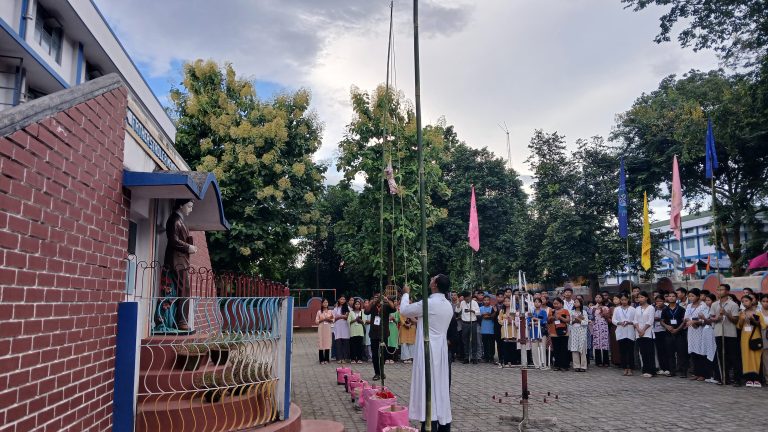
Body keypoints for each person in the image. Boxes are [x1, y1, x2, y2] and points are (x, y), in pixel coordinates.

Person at [400, 275, 453, 432]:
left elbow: (404, 310)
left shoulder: (429, 303)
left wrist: (405, 293)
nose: (430, 280)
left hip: (428, 349)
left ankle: (429, 423)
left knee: (428, 384)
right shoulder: (448, 305)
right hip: (441, 349)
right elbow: (433, 323)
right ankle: (442, 422)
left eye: (433, 279)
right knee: (440, 386)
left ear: (435, 285)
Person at [163, 199, 198, 331]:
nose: (191, 209)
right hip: (176, 261)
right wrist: (189, 247)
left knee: (182, 289)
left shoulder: (179, 220)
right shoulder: (174, 220)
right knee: (184, 289)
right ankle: (181, 320)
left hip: (180, 260)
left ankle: (180, 319)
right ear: (181, 205)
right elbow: (173, 240)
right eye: (189, 206)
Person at [710, 283, 741, 386]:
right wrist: (717, 318)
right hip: (719, 332)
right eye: (718, 290)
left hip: (730, 333)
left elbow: (736, 320)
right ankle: (724, 378)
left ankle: (737, 379)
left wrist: (727, 314)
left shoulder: (733, 305)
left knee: (733, 357)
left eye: (721, 290)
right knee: (721, 356)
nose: (719, 292)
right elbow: (712, 318)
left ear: (727, 291)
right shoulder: (714, 304)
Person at [684, 288, 714, 382]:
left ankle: (704, 374)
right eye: (689, 296)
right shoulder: (689, 306)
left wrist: (695, 321)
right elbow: (685, 317)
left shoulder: (703, 306)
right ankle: (696, 373)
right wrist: (689, 321)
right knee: (693, 352)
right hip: (691, 331)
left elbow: (704, 319)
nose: (691, 298)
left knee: (701, 352)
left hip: (701, 331)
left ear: (698, 296)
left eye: (693, 296)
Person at [737, 294, 764, 388]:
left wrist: (753, 319)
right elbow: (739, 326)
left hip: (755, 336)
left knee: (756, 357)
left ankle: (757, 379)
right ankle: (749, 379)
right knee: (746, 357)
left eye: (746, 301)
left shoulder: (758, 312)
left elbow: (761, 325)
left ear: (751, 301)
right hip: (744, 337)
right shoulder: (742, 312)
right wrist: (742, 319)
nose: (744, 303)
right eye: (743, 302)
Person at [661, 291, 687, 377]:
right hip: (668, 334)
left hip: (680, 333)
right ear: (667, 298)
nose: (671, 298)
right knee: (670, 353)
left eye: (673, 296)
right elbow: (662, 321)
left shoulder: (681, 309)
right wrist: (667, 326)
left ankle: (683, 371)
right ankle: (672, 371)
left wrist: (677, 329)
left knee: (681, 353)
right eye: (669, 296)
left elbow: (684, 321)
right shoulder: (665, 309)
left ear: (676, 298)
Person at [369, 295, 395, 380]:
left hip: (384, 333)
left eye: (378, 297)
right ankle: (377, 373)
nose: (378, 299)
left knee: (384, 353)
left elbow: (393, 308)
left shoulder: (386, 306)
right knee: (375, 354)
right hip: (374, 333)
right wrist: (372, 302)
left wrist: (387, 300)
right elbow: (366, 311)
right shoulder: (372, 306)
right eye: (376, 297)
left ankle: (381, 371)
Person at [612, 293, 636, 376]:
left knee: (630, 352)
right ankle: (625, 368)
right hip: (621, 331)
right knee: (623, 351)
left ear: (628, 300)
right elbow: (613, 320)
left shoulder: (633, 309)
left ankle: (631, 368)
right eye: (622, 300)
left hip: (630, 331)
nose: (624, 301)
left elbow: (636, 320)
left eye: (625, 299)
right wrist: (619, 322)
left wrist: (629, 322)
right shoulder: (617, 309)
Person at [634, 291, 657, 378]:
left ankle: (651, 370)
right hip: (639, 333)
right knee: (643, 352)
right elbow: (635, 320)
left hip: (647, 333)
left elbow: (650, 321)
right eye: (639, 297)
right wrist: (639, 330)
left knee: (649, 352)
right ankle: (645, 369)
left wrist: (643, 330)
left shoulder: (651, 308)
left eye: (642, 297)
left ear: (646, 298)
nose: (640, 299)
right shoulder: (637, 308)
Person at [548, 298, 570, 371]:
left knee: (563, 349)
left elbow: (568, 320)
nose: (556, 305)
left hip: (563, 333)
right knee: (556, 350)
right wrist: (552, 317)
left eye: (557, 303)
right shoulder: (551, 311)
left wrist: (560, 317)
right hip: (554, 333)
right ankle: (557, 365)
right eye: (554, 303)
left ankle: (564, 365)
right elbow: (548, 320)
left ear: (561, 304)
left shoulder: (565, 311)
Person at [459, 291, 480, 364]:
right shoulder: (462, 303)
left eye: (467, 298)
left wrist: (472, 310)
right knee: (465, 340)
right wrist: (459, 303)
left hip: (473, 322)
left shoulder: (474, 302)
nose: (466, 299)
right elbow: (457, 311)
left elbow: (478, 312)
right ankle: (466, 357)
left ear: (470, 296)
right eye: (465, 298)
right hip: (465, 323)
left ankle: (474, 357)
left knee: (474, 340)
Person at [569, 298, 589, 372]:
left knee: (582, 349)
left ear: (580, 303)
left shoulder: (584, 312)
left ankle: (583, 366)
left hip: (582, 332)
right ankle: (576, 365)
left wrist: (579, 319)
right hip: (574, 331)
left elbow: (586, 322)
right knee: (574, 348)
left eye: (577, 302)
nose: (575, 303)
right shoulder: (571, 312)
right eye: (575, 302)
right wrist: (574, 320)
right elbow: (570, 322)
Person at [591, 294, 611, 367]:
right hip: (596, 327)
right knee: (597, 343)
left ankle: (606, 361)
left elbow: (608, 317)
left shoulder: (606, 307)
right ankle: (598, 361)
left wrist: (603, 311)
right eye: (596, 297)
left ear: (602, 299)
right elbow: (591, 317)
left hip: (603, 326)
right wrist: (593, 311)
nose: (598, 299)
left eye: (600, 297)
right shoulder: (592, 307)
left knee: (604, 343)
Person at [529, 297, 548, 369]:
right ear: (533, 303)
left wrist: (536, 320)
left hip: (542, 332)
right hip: (533, 332)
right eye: (535, 302)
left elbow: (544, 321)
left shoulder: (543, 312)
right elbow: (528, 321)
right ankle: (536, 364)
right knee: (534, 349)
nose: (537, 303)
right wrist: (535, 322)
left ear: (541, 303)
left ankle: (543, 363)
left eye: (538, 302)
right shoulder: (531, 312)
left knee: (542, 348)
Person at [497, 297, 515, 368]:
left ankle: (512, 361)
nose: (507, 302)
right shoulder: (502, 310)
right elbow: (499, 320)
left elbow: (515, 319)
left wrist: (510, 320)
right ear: (504, 302)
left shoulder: (513, 310)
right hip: (504, 329)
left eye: (508, 301)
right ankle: (505, 361)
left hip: (512, 329)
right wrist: (504, 322)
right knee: (505, 346)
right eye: (505, 301)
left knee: (512, 346)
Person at [315, 298, 334, 364]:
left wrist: (328, 319)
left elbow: (333, 320)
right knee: (321, 343)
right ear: (322, 304)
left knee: (327, 342)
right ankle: (321, 359)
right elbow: (316, 321)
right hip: (321, 328)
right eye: (324, 302)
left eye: (326, 302)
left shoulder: (330, 311)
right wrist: (323, 319)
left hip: (328, 329)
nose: (325, 304)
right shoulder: (319, 312)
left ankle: (327, 359)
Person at [333, 296, 351, 364]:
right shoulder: (335, 308)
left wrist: (339, 317)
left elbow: (346, 317)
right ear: (338, 300)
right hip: (337, 327)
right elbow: (334, 319)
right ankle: (339, 358)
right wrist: (342, 316)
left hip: (345, 327)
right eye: (341, 299)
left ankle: (345, 358)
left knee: (345, 343)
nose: (342, 300)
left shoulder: (348, 308)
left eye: (344, 299)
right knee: (338, 343)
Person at [348, 299, 366, 364]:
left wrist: (359, 320)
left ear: (360, 305)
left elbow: (364, 321)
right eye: (356, 304)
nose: (357, 305)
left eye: (358, 304)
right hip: (353, 331)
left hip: (360, 331)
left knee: (359, 345)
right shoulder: (351, 312)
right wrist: (355, 319)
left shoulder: (362, 312)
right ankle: (353, 359)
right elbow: (348, 321)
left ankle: (359, 359)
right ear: (354, 305)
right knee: (353, 345)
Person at [480, 296, 496, 363]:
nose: (486, 301)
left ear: (490, 301)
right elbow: (482, 316)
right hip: (483, 329)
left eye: (487, 300)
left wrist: (490, 315)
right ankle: (486, 357)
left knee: (492, 344)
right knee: (485, 344)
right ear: (483, 301)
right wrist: (488, 315)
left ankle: (491, 357)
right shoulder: (480, 308)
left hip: (491, 329)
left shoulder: (492, 308)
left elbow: (492, 317)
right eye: (485, 300)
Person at [387, 298, 400, 364]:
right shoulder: (386, 310)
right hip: (387, 327)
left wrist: (394, 318)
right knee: (387, 342)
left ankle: (392, 358)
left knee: (393, 342)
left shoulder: (396, 311)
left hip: (394, 328)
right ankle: (387, 358)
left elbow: (398, 320)